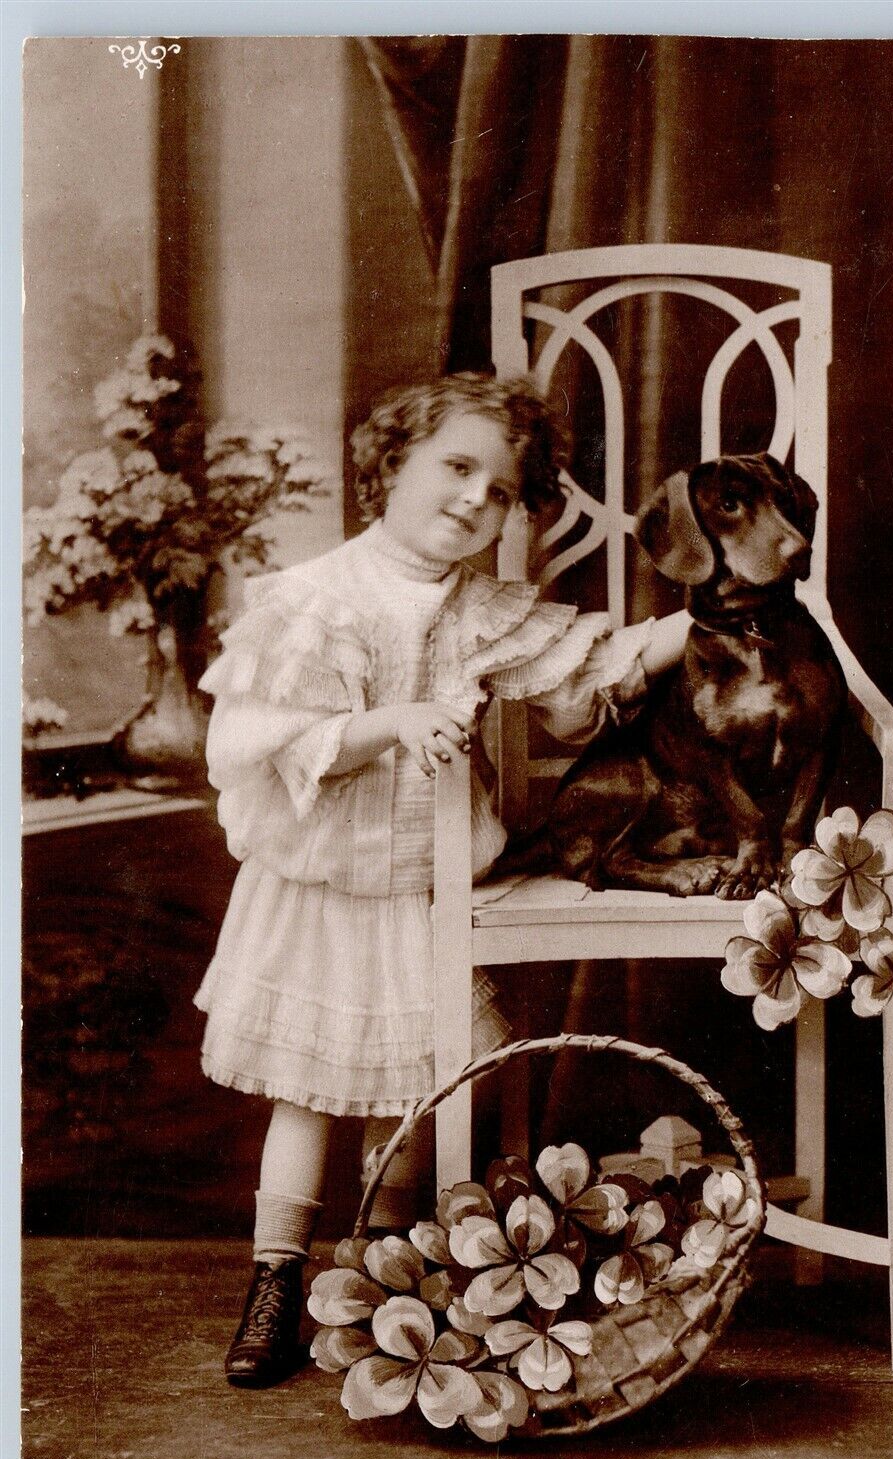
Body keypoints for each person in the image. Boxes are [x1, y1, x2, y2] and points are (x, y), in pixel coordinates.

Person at [194, 372, 691, 1386]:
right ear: (391, 465)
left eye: (500, 489)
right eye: (456, 467)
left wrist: (718, 616)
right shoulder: (316, 598)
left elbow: (587, 673)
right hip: (322, 888)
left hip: (429, 890)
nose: (473, 498)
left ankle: (376, 1275)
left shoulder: (482, 611)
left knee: (412, 1092)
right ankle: (275, 1280)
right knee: (306, 1093)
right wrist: (389, 723)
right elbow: (257, 738)